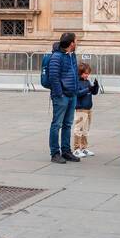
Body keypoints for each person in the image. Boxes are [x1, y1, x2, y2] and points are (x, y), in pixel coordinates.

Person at [47, 32, 81, 164]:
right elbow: (53, 77)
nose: (76, 43)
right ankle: (55, 153)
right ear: (71, 43)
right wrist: (59, 93)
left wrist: (75, 89)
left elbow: (74, 73)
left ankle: (66, 151)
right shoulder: (57, 56)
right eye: (76, 41)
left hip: (72, 94)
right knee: (57, 124)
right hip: (62, 96)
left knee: (67, 124)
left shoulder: (72, 55)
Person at [72, 61, 100, 158]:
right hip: (81, 109)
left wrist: (95, 87)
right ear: (80, 73)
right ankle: (76, 149)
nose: (87, 75)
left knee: (85, 130)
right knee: (78, 129)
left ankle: (83, 148)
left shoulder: (87, 81)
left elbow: (94, 92)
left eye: (88, 73)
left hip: (88, 108)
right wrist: (88, 89)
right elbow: (77, 93)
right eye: (85, 73)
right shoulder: (77, 82)